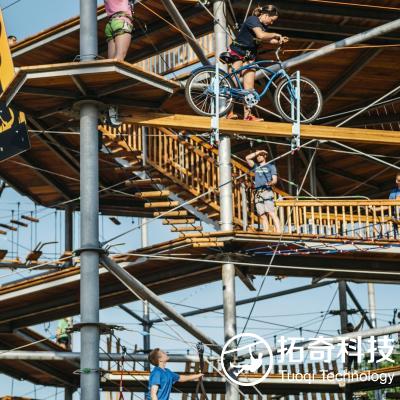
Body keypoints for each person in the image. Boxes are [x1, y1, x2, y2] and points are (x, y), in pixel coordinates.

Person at [228, 4, 288, 121]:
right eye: (271, 20)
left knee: (249, 87)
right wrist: (276, 34)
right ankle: (228, 112)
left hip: (249, 56)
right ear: (265, 15)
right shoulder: (253, 20)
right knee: (232, 83)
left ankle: (248, 115)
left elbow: (266, 38)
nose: (271, 23)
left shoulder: (263, 26)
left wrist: (279, 41)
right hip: (237, 53)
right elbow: (260, 35)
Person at [246, 149, 281, 233]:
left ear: (265, 156)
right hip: (258, 192)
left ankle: (279, 231)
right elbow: (247, 158)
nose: (258, 157)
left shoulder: (270, 166)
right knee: (262, 215)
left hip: (266, 191)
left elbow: (275, 180)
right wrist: (258, 152)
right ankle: (266, 231)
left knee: (271, 212)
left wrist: (270, 183)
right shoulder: (256, 166)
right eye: (257, 156)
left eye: (260, 155)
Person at [389, 172, 400, 237]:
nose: (396, 182)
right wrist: (375, 209)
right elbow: (388, 205)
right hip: (396, 217)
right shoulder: (393, 192)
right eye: (396, 180)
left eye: (399, 180)